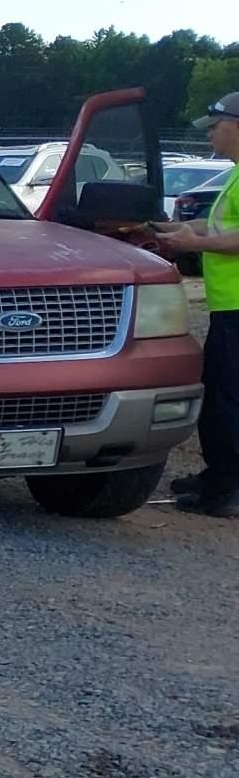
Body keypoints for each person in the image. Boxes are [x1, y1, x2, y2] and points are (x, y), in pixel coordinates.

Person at [150, 92, 239, 519]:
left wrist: (196, 243)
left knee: (227, 399)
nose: (210, 134)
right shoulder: (237, 176)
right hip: (229, 307)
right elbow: (228, 224)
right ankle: (219, 475)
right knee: (222, 393)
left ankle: (227, 488)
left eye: (215, 126)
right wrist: (181, 228)